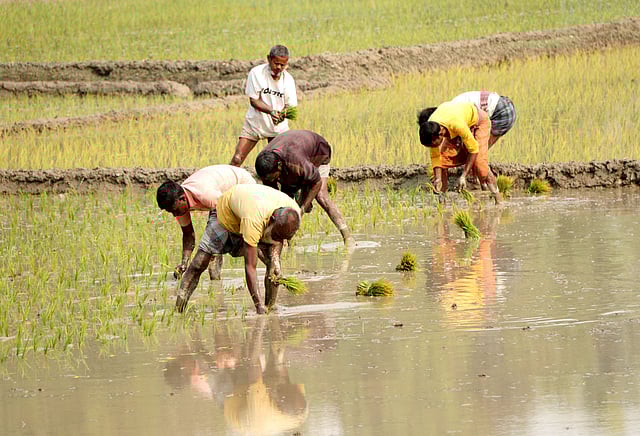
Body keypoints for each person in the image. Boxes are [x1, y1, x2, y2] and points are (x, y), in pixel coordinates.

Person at [175, 184, 301, 314]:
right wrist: (258, 305)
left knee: (273, 267)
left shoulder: (294, 212)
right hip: (225, 214)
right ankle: (179, 308)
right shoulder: (254, 220)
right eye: (275, 234)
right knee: (199, 262)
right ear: (271, 220)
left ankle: (270, 307)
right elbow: (250, 267)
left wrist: (275, 262)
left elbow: (278, 239)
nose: (277, 239)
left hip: (250, 210)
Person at [156, 164, 256, 280]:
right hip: (221, 198)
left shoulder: (205, 194)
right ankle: (216, 283)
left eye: (175, 210)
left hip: (243, 186)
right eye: (171, 212)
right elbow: (188, 235)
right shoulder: (180, 203)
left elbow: (227, 211)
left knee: (243, 240)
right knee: (214, 244)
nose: (175, 215)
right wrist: (184, 263)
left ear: (182, 199)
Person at [254, 129, 354, 246]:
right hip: (293, 155)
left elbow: (316, 182)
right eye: (268, 179)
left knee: (321, 196)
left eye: (272, 178)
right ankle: (286, 243)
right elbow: (275, 198)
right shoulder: (264, 164)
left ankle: (347, 236)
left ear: (279, 166)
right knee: (284, 203)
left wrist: (303, 208)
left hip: (318, 151)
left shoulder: (296, 162)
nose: (271, 181)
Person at [417, 101, 501, 203]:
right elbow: (436, 158)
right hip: (455, 120)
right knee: (443, 161)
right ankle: (442, 199)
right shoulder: (431, 128)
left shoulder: (456, 124)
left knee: (479, 163)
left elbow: (473, 149)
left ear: (440, 135)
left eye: (434, 145)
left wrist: (463, 176)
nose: (433, 147)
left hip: (478, 121)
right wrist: (437, 179)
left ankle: (498, 199)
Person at [230, 45, 298, 167]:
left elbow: (290, 106)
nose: (278, 67)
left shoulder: (288, 80)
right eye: (276, 63)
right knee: (237, 159)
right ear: (269, 59)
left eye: (282, 65)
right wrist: (271, 111)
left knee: (276, 165)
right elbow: (254, 100)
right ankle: (227, 183)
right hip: (255, 124)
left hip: (277, 129)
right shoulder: (257, 73)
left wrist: (281, 115)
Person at [451, 91, 516, 148]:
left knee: (481, 150)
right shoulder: (453, 106)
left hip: (503, 111)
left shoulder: (455, 113)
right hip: (504, 103)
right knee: (477, 147)